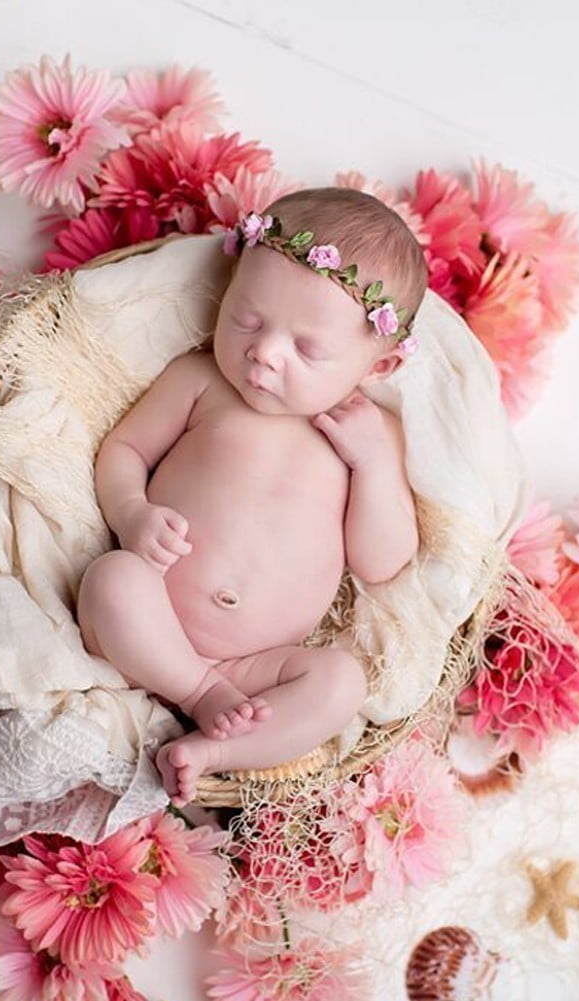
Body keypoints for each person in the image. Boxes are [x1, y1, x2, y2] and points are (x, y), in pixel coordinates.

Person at [76, 187, 428, 806]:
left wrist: (373, 463)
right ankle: (195, 696)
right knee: (110, 579)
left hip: (256, 668)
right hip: (150, 615)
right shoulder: (201, 380)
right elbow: (123, 451)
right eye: (246, 318)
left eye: (308, 348)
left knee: (340, 682)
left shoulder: (370, 435)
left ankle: (213, 751)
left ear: (378, 368)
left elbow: (382, 561)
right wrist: (132, 513)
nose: (263, 353)